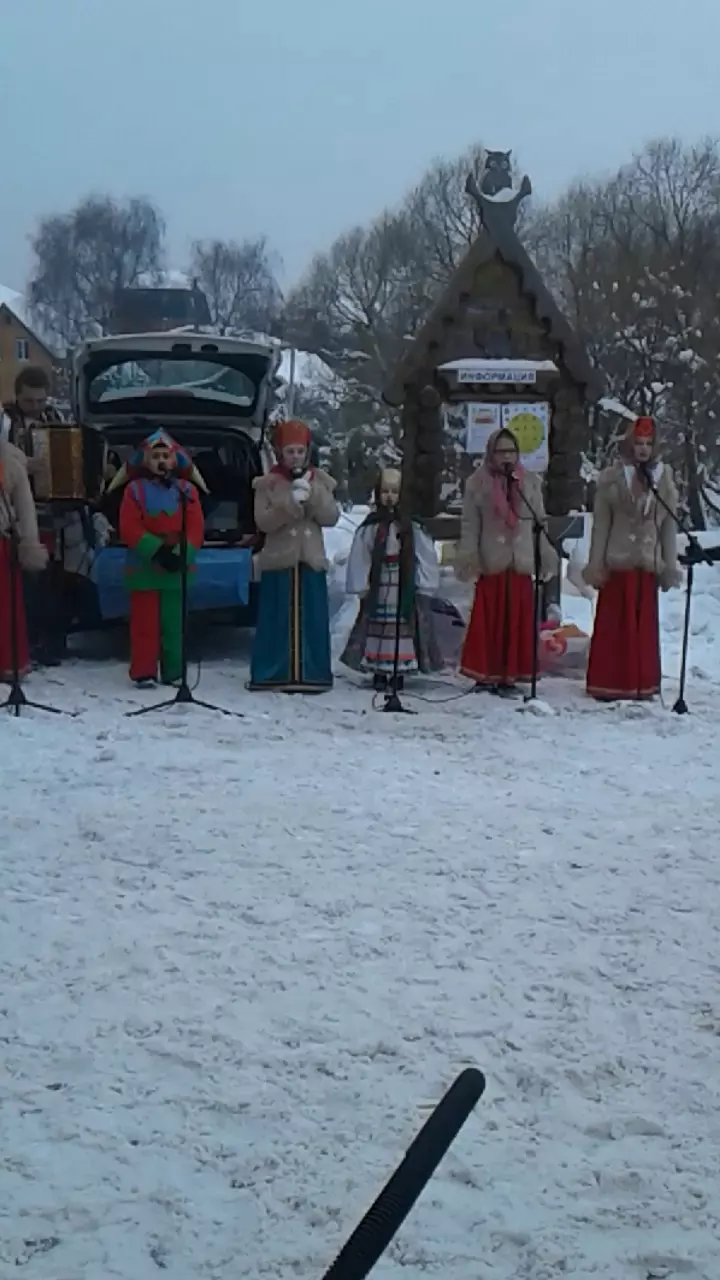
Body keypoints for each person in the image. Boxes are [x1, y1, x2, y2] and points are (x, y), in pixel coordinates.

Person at [583, 414, 682, 702]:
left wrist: (669, 564)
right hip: (618, 560)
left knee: (643, 628)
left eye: (648, 444)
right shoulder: (612, 478)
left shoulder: (663, 478)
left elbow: (668, 526)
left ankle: (642, 683)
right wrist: (596, 563)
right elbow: (601, 525)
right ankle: (609, 683)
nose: (642, 449)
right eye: (638, 443)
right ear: (629, 444)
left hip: (647, 560)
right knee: (616, 626)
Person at [455, 427, 557, 696]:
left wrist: (545, 555)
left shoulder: (530, 483)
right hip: (492, 560)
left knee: (517, 619)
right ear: (491, 453)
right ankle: (485, 674)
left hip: (520, 560)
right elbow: (470, 524)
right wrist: (469, 557)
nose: (506, 457)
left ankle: (510, 675)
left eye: (511, 451)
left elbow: (540, 522)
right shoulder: (477, 483)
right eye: (501, 451)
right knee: (490, 619)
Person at [249, 419, 339, 692]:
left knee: (311, 619)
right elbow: (263, 521)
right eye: (290, 451)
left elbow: (331, 517)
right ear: (280, 452)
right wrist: (289, 505)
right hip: (280, 558)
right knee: (277, 618)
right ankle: (273, 672)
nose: (295, 457)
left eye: (300, 451)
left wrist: (312, 499)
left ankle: (312, 671)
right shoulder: (268, 484)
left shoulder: (319, 481)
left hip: (310, 558)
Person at [112, 429, 206, 687]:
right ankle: (144, 670)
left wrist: (181, 554)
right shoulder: (134, 491)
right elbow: (129, 527)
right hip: (144, 569)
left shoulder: (187, 490)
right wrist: (155, 551)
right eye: (156, 456)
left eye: (166, 455)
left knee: (174, 625)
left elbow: (196, 527)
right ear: (146, 461)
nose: (161, 461)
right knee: (144, 624)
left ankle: (174, 671)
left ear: (175, 460)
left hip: (177, 570)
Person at [340, 466, 443, 689]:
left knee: (402, 626)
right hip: (380, 584)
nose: (389, 496)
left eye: (394, 492)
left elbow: (424, 554)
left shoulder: (411, 526)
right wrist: (361, 583)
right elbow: (362, 554)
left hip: (403, 585)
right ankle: (378, 668)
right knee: (377, 624)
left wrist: (425, 583)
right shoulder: (371, 526)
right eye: (385, 491)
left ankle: (399, 670)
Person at [2, 366, 67, 665]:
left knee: (52, 580)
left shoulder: (56, 419)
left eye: (41, 400)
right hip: (13, 508)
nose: (37, 407)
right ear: (17, 396)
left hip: (50, 508)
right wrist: (25, 466)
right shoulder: (5, 422)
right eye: (30, 401)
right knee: (21, 583)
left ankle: (50, 642)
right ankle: (23, 644)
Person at [0, 438, 49, 681]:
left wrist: (29, 542)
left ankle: (8, 664)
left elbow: (25, 509)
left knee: (5, 607)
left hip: (1, 542)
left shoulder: (9, 461)